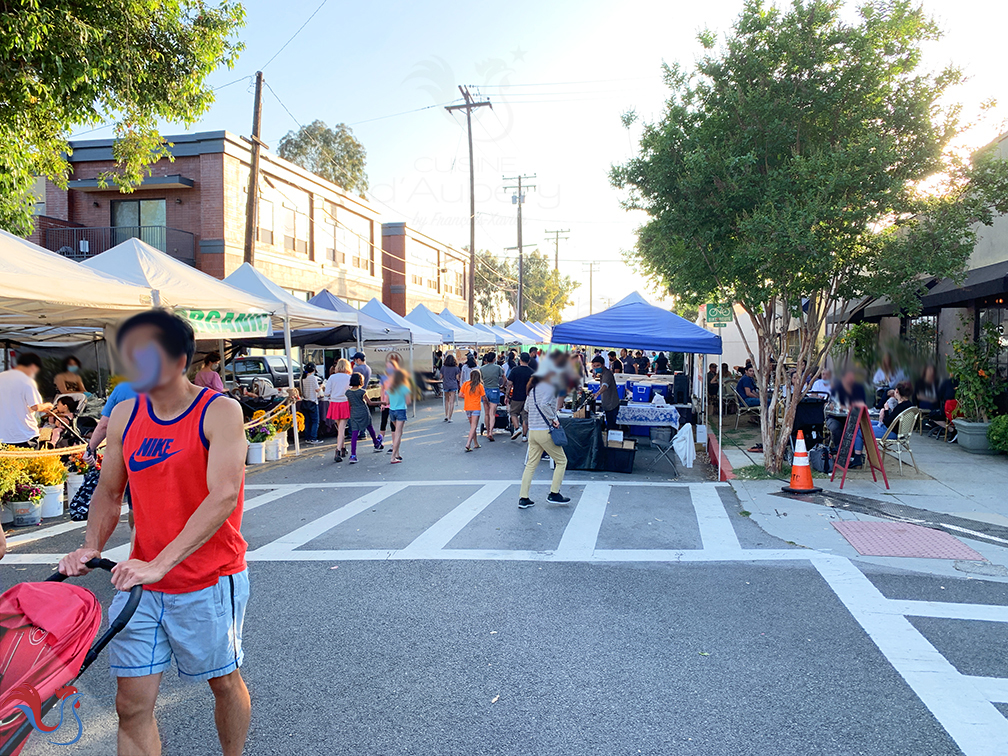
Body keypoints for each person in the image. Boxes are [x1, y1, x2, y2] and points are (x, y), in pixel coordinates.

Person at [58, 309, 250, 756]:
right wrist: (91, 548)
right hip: (141, 583)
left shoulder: (220, 411)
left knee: (223, 683)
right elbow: (108, 492)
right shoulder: (125, 414)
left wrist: (160, 562)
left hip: (209, 579)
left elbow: (223, 496)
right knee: (131, 705)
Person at [518, 362, 571, 510]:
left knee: (530, 465)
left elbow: (527, 408)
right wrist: (553, 418)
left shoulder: (533, 390)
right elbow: (544, 404)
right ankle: (554, 493)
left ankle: (524, 497)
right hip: (545, 430)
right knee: (561, 461)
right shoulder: (549, 388)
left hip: (533, 431)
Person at [0, 352, 52, 446]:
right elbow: (35, 406)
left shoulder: (1, 376)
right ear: (33, 366)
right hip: (24, 435)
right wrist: (47, 405)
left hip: (2, 436)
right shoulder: (26, 380)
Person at [87, 379, 139, 463]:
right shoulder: (165, 390)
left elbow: (104, 425)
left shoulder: (123, 389)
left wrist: (90, 448)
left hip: (129, 450)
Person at [826, 368, 868, 455]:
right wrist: (832, 405)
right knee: (836, 429)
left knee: (855, 428)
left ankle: (851, 453)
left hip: (851, 418)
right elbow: (830, 405)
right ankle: (840, 453)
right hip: (835, 418)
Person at [345, 372, 383, 462]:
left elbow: (350, 404)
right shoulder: (362, 392)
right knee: (370, 428)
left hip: (354, 413)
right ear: (360, 381)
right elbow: (370, 403)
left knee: (354, 434)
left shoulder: (348, 393)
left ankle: (353, 455)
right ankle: (376, 443)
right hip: (363, 411)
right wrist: (381, 402)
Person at [324, 358, 352, 462]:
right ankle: (338, 450)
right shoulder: (348, 377)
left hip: (334, 403)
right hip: (344, 402)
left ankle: (343, 448)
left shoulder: (332, 377)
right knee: (342, 428)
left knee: (339, 428)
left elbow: (326, 392)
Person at [386, 363, 411, 463]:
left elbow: (387, 401)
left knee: (397, 433)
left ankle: (397, 454)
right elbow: (408, 401)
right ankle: (393, 456)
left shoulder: (390, 387)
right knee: (398, 434)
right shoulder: (404, 387)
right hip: (401, 410)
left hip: (392, 411)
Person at [507, 352, 534, 441]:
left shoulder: (515, 370)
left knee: (513, 413)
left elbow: (509, 384)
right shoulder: (531, 372)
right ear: (529, 361)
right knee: (525, 417)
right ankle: (524, 436)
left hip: (516, 396)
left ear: (520, 360)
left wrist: (507, 395)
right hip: (527, 397)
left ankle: (517, 428)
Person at [479, 351, 505, 441]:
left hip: (485, 390)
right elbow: (504, 378)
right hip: (495, 389)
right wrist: (502, 386)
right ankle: (490, 432)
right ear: (494, 359)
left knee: (486, 413)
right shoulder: (498, 368)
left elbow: (480, 380)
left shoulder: (482, 369)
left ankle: (487, 431)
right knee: (492, 413)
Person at [591, 355, 621, 431]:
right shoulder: (602, 374)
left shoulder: (607, 374)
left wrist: (597, 394)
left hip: (611, 404)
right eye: (594, 366)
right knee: (609, 424)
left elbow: (605, 386)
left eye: (598, 365)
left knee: (611, 426)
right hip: (607, 404)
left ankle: (613, 441)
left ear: (603, 365)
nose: (596, 368)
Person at [460, 369, 485, 452]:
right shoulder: (480, 386)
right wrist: (487, 403)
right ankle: (468, 444)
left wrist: (467, 397)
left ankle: (476, 443)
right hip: (476, 407)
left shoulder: (466, 384)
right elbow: (484, 396)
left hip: (467, 407)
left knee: (472, 426)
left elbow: (460, 394)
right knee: (474, 426)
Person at [299, 363, 322, 445]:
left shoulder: (302, 378)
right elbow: (317, 389)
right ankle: (313, 438)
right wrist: (322, 386)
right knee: (315, 421)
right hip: (312, 401)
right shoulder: (313, 378)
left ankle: (307, 437)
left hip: (305, 401)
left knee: (307, 421)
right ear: (313, 369)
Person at [441, 353, 461, 422]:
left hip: (446, 384)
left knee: (447, 400)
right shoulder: (456, 368)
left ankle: (446, 415)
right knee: (452, 401)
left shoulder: (443, 367)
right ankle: (450, 417)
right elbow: (457, 378)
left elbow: (441, 377)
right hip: (453, 384)